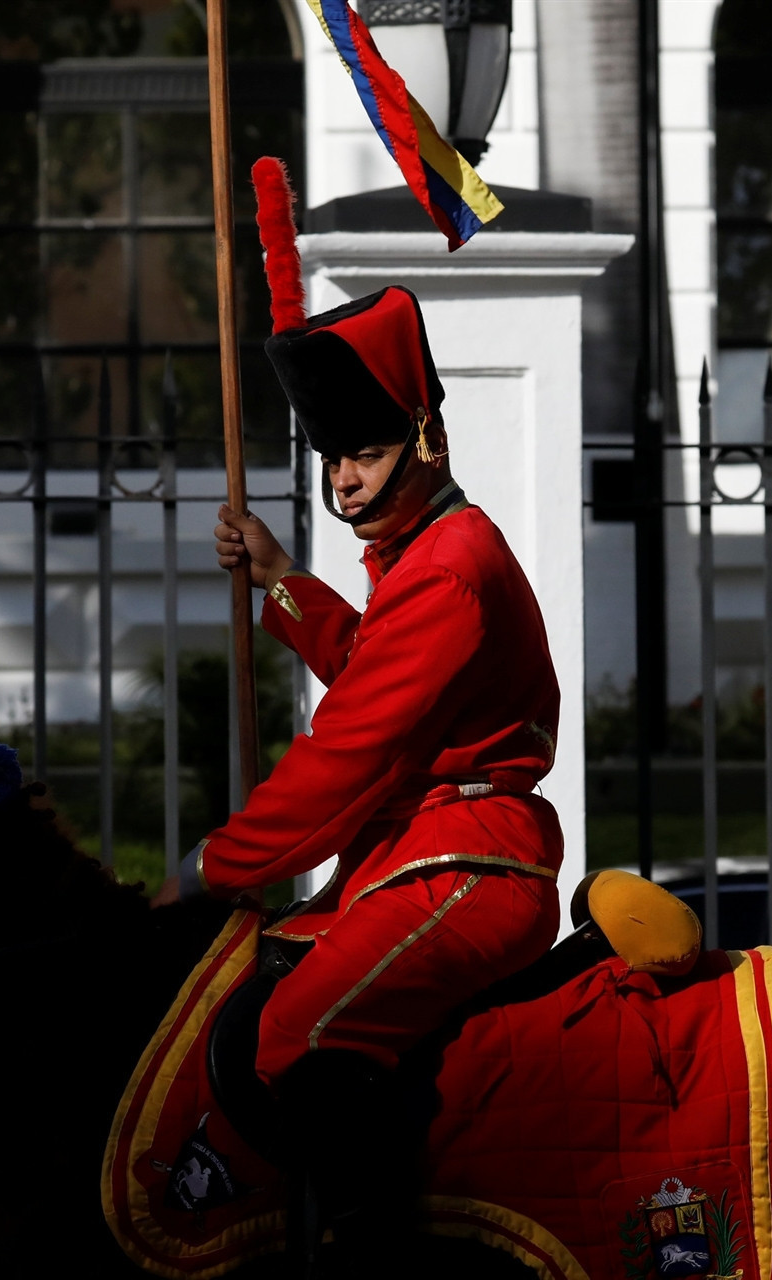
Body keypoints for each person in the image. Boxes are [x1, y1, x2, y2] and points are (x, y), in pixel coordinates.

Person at [150, 159, 563, 1276]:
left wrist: (212, 867)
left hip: (472, 860)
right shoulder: (422, 555)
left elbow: (350, 753)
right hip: (413, 854)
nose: (343, 478)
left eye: (365, 452)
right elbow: (378, 673)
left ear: (424, 438)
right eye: (333, 455)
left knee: (297, 1033)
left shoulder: (449, 566)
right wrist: (284, 580)